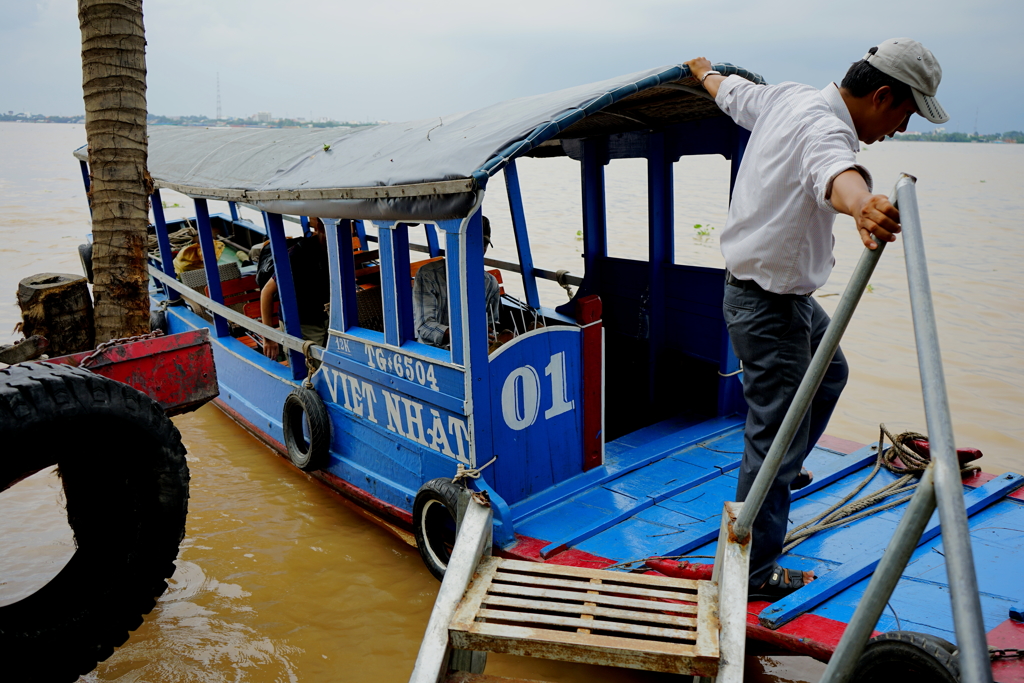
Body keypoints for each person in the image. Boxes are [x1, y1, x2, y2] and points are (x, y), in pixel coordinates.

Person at [685, 38, 947, 601]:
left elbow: (733, 95)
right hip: (767, 305)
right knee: (776, 436)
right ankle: (753, 574)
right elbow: (836, 172)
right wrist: (864, 205)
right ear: (881, 95)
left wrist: (704, 73)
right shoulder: (824, 129)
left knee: (831, 374)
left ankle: (778, 473)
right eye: (905, 113)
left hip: (784, 297)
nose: (900, 128)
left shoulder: (787, 98)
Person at [413, 216, 502, 348]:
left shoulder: (490, 283)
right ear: (457, 241)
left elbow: (491, 324)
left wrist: (489, 334)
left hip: (473, 347)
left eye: (483, 244)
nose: (480, 248)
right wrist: (464, 334)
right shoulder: (428, 275)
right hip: (435, 350)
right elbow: (425, 326)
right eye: (472, 241)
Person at [261, 217, 330, 359]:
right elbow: (267, 291)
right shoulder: (299, 254)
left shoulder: (336, 251)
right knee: (310, 369)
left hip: (327, 320)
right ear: (320, 228)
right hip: (302, 324)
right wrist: (269, 337)